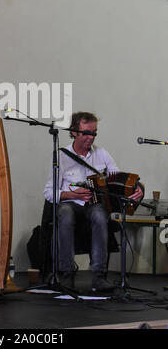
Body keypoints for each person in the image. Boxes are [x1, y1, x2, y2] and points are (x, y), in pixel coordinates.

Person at [43, 111, 144, 292]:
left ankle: (99, 275)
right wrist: (73, 194)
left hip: (94, 204)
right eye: (86, 133)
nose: (91, 137)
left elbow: (118, 179)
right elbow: (49, 193)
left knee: (99, 214)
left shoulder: (102, 154)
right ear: (74, 131)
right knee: (64, 213)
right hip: (70, 204)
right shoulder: (62, 156)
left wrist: (137, 187)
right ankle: (66, 273)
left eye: (94, 133)